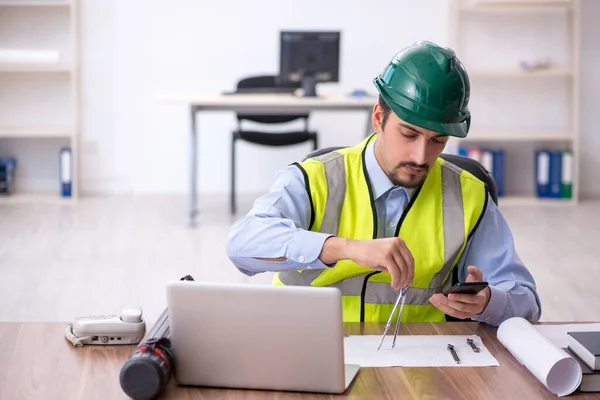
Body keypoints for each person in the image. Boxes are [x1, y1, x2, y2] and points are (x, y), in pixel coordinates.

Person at [226, 40, 541, 327]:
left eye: (438, 140)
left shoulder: (469, 194)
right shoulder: (315, 178)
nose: (421, 156)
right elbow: (242, 243)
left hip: (424, 367)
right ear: (378, 118)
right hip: (308, 348)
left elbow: (526, 300)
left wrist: (487, 302)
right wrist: (343, 248)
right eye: (408, 134)